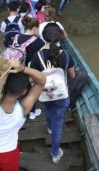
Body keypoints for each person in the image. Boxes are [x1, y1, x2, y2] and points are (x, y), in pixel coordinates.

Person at [0, 60, 46, 171]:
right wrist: (23, 68)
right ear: (24, 91)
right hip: (8, 154)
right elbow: (41, 81)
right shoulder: (23, 109)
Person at [30, 24, 76, 163]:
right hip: (62, 96)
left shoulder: (36, 56)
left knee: (49, 109)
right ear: (60, 36)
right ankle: (55, 154)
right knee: (58, 125)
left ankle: (49, 128)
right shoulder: (66, 55)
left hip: (45, 94)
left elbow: (32, 78)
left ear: (43, 36)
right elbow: (72, 75)